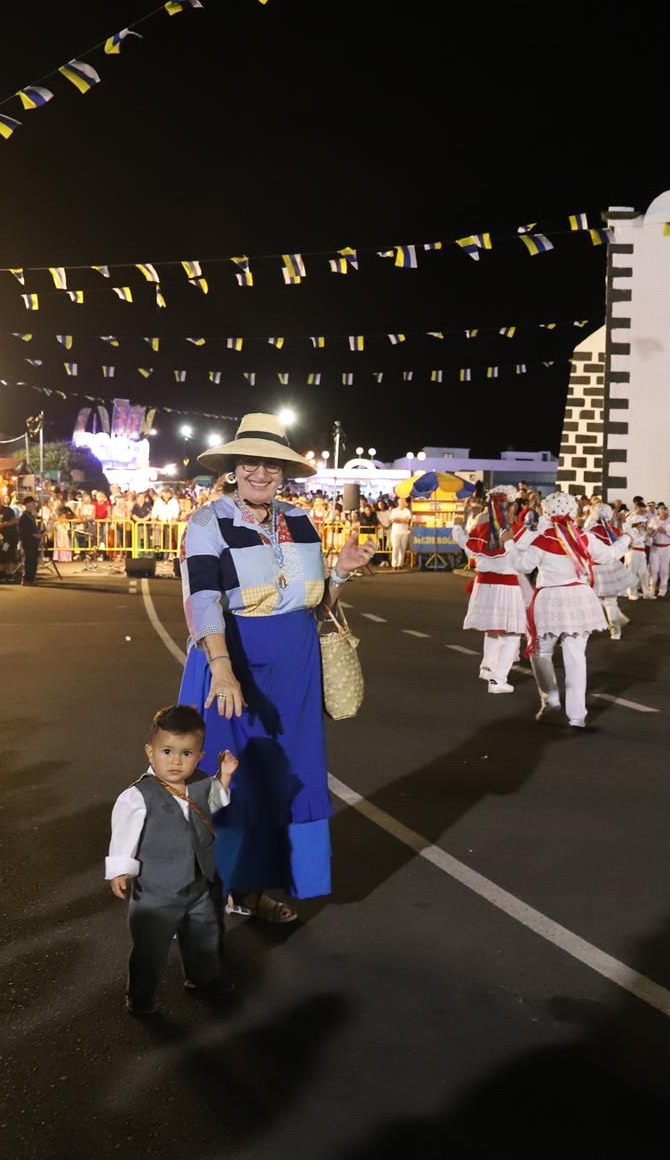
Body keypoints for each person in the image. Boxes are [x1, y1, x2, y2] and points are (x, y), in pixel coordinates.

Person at [178, 414, 373, 925]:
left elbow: (313, 603)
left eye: (271, 464)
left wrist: (342, 572)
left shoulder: (302, 520)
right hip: (234, 655)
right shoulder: (207, 521)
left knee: (288, 776)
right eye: (250, 463)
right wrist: (221, 668)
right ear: (234, 467)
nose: (260, 473)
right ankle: (204, 893)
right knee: (228, 773)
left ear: (284, 471)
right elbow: (202, 599)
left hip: (295, 661)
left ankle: (254, 890)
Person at [106, 704, 238, 1015]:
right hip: (156, 891)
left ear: (200, 756)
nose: (176, 760)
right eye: (167, 751)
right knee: (150, 948)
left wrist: (225, 777)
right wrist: (120, 869)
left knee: (204, 933)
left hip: (198, 884)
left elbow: (214, 802)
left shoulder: (200, 782)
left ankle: (202, 978)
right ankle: (140, 998)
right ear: (150, 752)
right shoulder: (138, 795)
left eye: (186, 753)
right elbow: (124, 834)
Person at [506, 491, 621, 728]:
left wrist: (511, 540)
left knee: (541, 652)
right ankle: (577, 716)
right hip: (579, 598)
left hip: (550, 599)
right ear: (573, 512)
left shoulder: (542, 538)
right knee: (577, 658)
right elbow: (610, 555)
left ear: (547, 512)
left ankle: (551, 699)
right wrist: (628, 538)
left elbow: (521, 565)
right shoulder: (584, 538)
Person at [463, 486, 528, 692]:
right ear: (512, 505)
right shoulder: (516, 530)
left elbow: (468, 549)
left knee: (492, 628)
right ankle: (498, 680)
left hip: (484, 586)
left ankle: (487, 667)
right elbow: (526, 562)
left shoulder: (481, 528)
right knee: (512, 633)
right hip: (506, 587)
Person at [583, 500, 634, 640]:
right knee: (610, 600)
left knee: (599, 598)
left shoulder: (589, 532)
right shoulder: (612, 531)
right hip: (610, 567)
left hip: (595, 568)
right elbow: (625, 543)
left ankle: (615, 628)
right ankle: (617, 624)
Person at [18, 497, 42, 584]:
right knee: (30, 560)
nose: (34, 505)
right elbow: (25, 531)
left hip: (33, 542)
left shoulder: (30, 516)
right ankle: (27, 578)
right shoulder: (24, 517)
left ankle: (31, 578)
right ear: (27, 505)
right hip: (28, 542)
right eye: (32, 504)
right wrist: (35, 535)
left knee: (33, 560)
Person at [389, 497, 415, 569]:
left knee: (402, 548)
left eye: (403, 501)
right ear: (398, 502)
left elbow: (407, 521)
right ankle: (394, 564)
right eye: (401, 501)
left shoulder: (407, 511)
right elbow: (393, 520)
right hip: (395, 531)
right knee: (395, 547)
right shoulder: (394, 510)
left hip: (404, 532)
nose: (402, 502)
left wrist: (399, 519)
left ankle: (400, 564)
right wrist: (402, 520)